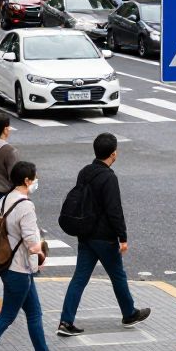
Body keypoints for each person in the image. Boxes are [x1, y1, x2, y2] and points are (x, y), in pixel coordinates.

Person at [0, 161, 70, 351]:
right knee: (7, 315)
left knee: (34, 313)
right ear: (26, 180)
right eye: (34, 178)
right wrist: (42, 254)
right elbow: (31, 243)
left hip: (9, 266)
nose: (35, 181)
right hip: (19, 269)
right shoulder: (25, 206)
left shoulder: (5, 199)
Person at [57, 133, 151, 336]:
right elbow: (114, 210)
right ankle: (129, 313)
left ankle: (66, 321)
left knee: (79, 278)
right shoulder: (109, 177)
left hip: (85, 234)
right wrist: (123, 237)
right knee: (118, 275)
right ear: (113, 153)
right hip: (104, 237)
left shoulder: (85, 172)